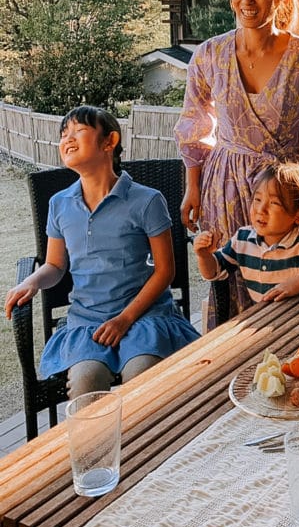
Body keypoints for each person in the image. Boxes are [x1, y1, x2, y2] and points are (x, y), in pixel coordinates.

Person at [175, 0, 299, 324]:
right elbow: (195, 126)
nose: (247, 0)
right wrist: (193, 187)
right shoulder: (209, 54)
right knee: (231, 281)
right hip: (225, 186)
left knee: (296, 279)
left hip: (285, 192)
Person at [4, 106, 200, 399]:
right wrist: (31, 281)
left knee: (141, 375)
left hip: (144, 317)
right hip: (88, 323)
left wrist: (124, 319)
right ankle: (93, 446)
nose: (67, 139)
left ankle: (146, 444)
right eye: (63, 134)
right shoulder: (60, 204)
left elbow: (165, 271)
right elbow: (55, 265)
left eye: (78, 131)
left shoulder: (147, 201)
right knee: (85, 382)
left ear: (109, 142)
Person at [192, 162, 299, 302]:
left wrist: (298, 283)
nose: (261, 210)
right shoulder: (242, 239)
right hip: (263, 319)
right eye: (257, 200)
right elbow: (214, 271)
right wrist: (204, 255)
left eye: (274, 203)